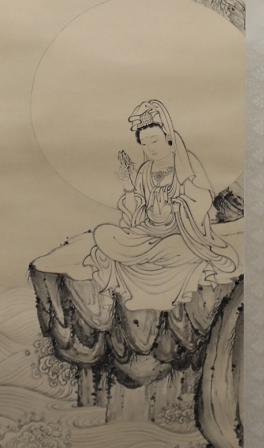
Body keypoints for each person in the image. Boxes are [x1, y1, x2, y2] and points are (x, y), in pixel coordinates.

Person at [31, 100, 239, 313]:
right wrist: (130, 188)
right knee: (104, 233)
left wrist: (178, 205)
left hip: (180, 234)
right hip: (146, 234)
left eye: (154, 140)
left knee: (177, 246)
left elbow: (203, 200)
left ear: (168, 138)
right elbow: (134, 216)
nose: (151, 148)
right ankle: (145, 260)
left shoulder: (185, 163)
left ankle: (147, 265)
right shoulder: (145, 171)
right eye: (145, 143)